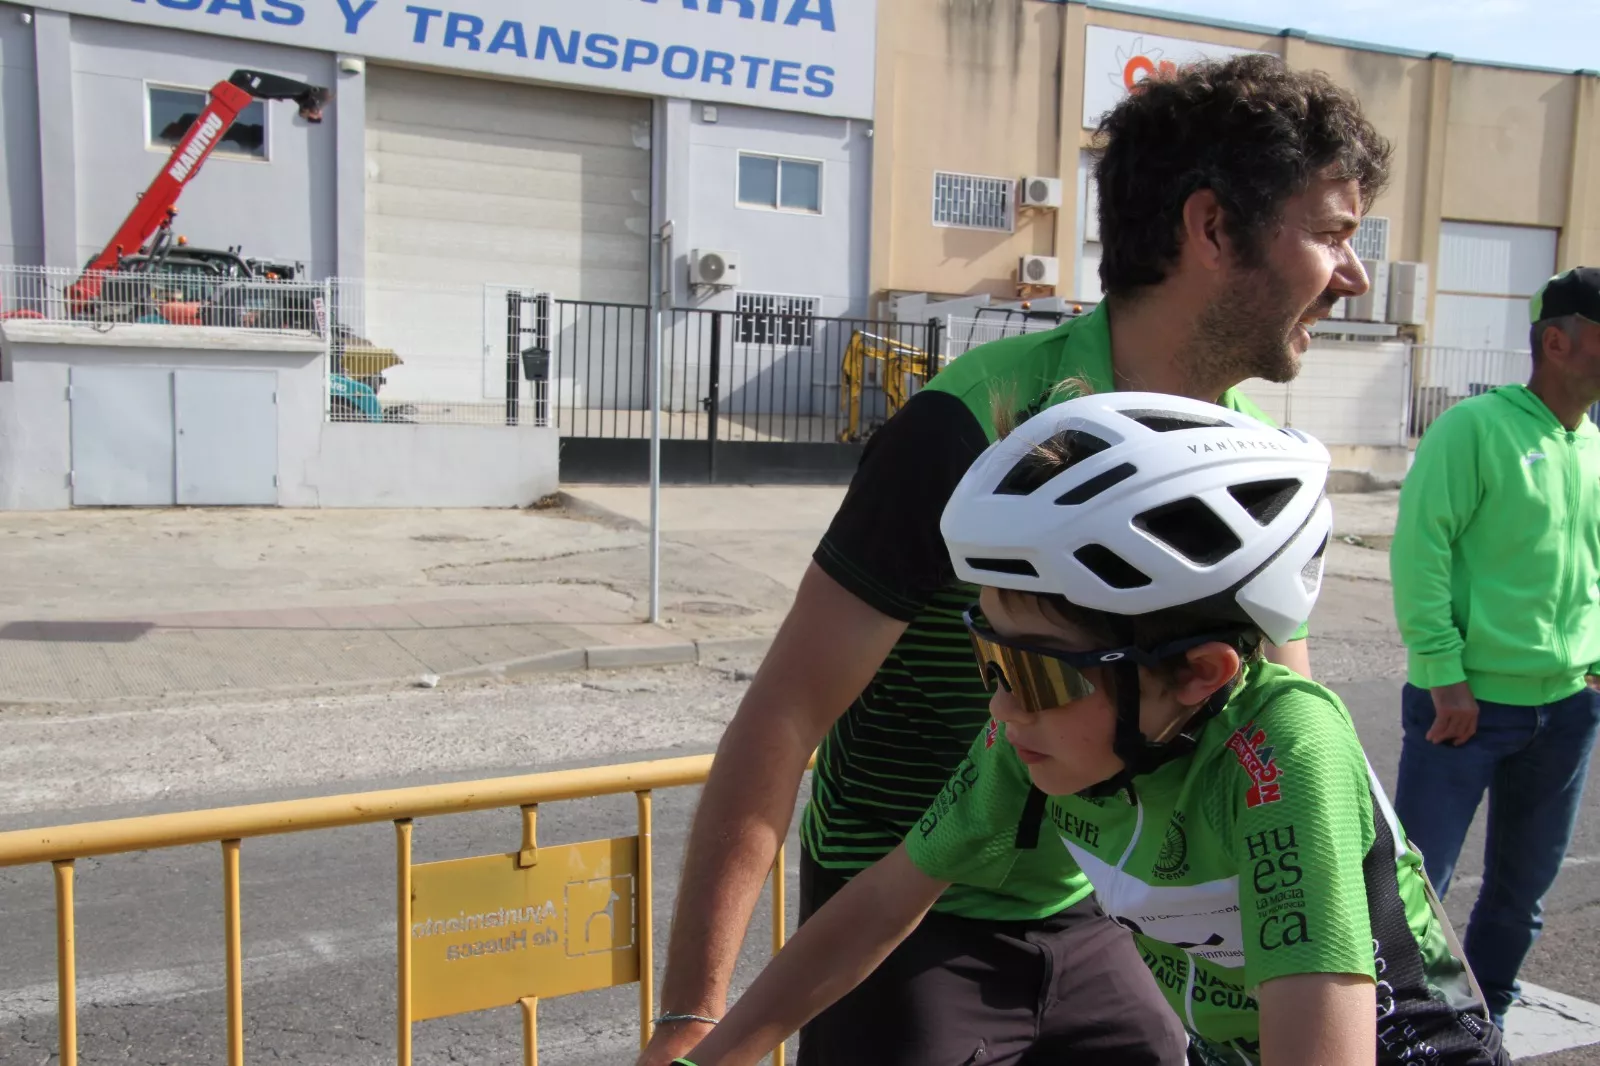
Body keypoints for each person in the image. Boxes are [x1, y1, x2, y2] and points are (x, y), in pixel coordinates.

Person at [638, 54, 1392, 1066]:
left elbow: (1279, 721)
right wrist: (694, 1017)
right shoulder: (976, 424)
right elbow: (783, 715)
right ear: (1212, 229)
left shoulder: (1245, 464)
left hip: (1095, 900)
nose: (1353, 275)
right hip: (903, 898)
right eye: (1332, 234)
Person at [666, 393, 1510, 1066]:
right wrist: (712, 1057)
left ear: (1198, 671)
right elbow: (880, 903)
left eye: (1035, 671)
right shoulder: (1034, 739)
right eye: (987, 657)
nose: (1002, 708)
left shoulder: (1283, 755)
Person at [1390, 266, 1600, 1028]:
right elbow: (1422, 553)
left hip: (1567, 710)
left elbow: (1593, 565)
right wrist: (1445, 676)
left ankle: (1487, 1024)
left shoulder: (1591, 446)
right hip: (1467, 709)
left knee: (1520, 896)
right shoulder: (1474, 430)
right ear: (1558, 340)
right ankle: (1399, 1023)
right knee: (1416, 890)